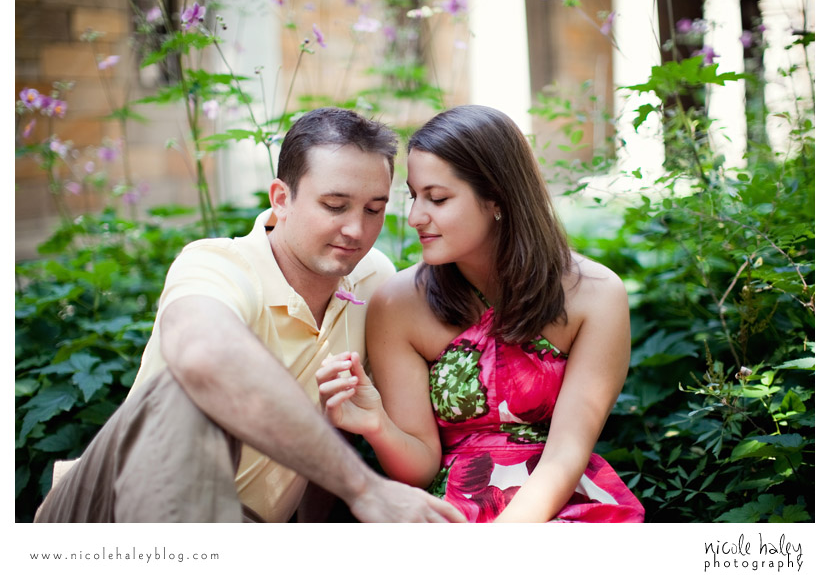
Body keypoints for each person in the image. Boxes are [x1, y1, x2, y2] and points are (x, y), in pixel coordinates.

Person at [34, 107, 465, 523]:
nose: (356, 230)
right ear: (281, 199)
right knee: (191, 386)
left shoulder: (373, 281)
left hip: (240, 530)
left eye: (373, 209)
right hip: (110, 509)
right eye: (335, 205)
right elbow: (204, 354)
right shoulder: (216, 265)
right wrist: (365, 489)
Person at [316, 105, 645, 523]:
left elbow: (566, 454)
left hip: (562, 505)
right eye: (414, 196)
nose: (416, 216)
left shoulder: (595, 295)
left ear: (497, 199)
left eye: (437, 198)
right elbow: (420, 469)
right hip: (452, 511)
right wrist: (377, 423)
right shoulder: (397, 302)